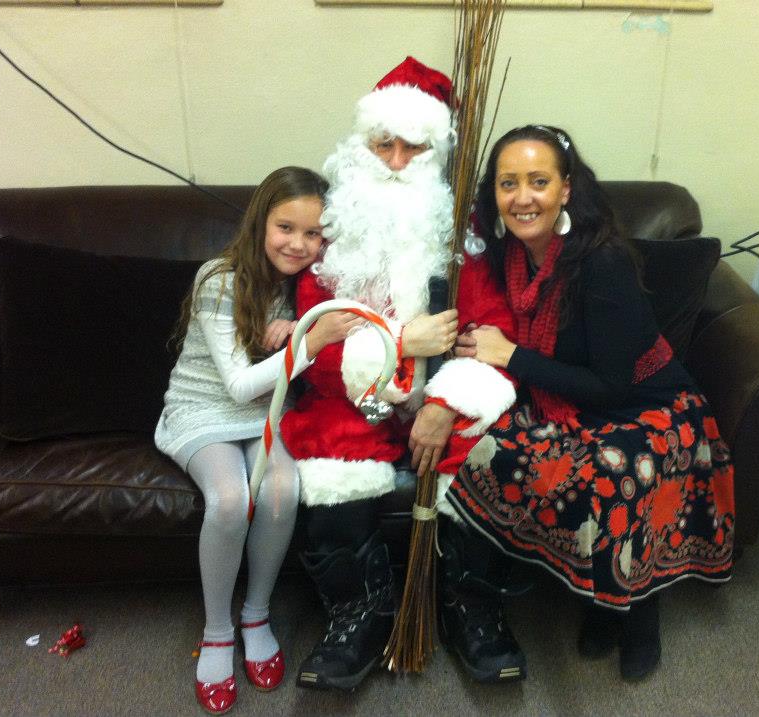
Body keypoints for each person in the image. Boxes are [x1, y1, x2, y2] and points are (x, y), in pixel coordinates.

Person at [449, 124, 736, 681]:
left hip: (648, 404)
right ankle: (599, 597)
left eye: (538, 181)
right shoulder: (509, 252)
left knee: (612, 470)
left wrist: (511, 355)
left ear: (566, 188)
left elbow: (611, 387)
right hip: (563, 394)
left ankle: (638, 609)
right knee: (489, 449)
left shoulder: (602, 261)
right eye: (508, 183)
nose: (523, 197)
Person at [279, 57, 523, 690]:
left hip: (443, 394)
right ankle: (359, 613)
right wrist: (398, 345)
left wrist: (441, 404)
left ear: (436, 154)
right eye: (381, 144)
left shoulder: (462, 240)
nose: (394, 161)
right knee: (331, 455)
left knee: (485, 451)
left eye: (412, 147)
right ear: (359, 147)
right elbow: (316, 350)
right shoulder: (332, 238)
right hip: (353, 397)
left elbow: (496, 335)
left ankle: (469, 606)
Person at [154, 166, 360, 714]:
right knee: (229, 499)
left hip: (269, 412)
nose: (298, 244)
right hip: (204, 409)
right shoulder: (219, 279)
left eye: (313, 234)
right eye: (285, 228)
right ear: (260, 223)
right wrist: (309, 340)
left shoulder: (309, 284)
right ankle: (217, 631)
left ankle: (256, 613)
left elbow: (289, 372)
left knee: (280, 491)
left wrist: (297, 330)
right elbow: (240, 385)